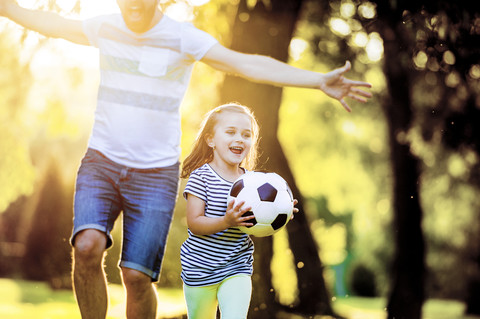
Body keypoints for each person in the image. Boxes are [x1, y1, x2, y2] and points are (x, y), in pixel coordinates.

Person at [0, 1, 372, 318]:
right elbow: (50, 23)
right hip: (102, 161)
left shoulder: (183, 38)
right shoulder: (105, 27)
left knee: (135, 277)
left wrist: (316, 80)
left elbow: (246, 63)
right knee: (86, 247)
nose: (132, 6)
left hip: (156, 174)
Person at [180, 102, 295, 318]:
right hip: (200, 270)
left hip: (236, 268)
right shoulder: (201, 177)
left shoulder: (251, 182)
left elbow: (257, 223)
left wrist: (282, 210)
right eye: (231, 132)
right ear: (210, 139)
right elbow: (194, 223)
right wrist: (226, 221)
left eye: (246, 134)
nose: (239, 139)